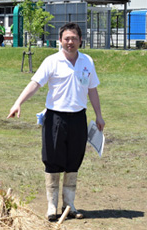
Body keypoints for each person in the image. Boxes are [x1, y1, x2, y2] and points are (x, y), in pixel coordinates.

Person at [7, 22, 105, 221]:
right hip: (55, 118)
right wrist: (18, 103)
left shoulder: (87, 61)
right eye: (67, 38)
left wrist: (99, 115)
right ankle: (51, 206)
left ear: (80, 41)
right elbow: (35, 84)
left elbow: (92, 89)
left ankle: (69, 205)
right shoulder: (51, 61)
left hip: (78, 118)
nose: (70, 42)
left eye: (74, 38)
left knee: (73, 160)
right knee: (52, 158)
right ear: (60, 40)